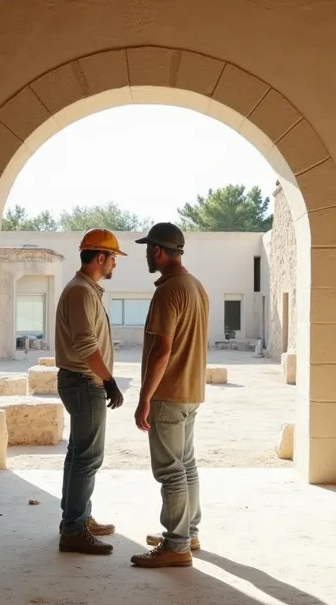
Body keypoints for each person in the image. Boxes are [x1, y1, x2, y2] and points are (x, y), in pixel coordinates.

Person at [129, 222, 210, 568]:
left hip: (169, 393)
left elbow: (162, 351)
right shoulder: (195, 286)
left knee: (170, 470)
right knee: (186, 464)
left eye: (149, 249)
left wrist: (145, 397)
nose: (147, 254)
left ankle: (176, 545)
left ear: (160, 251)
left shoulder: (168, 291)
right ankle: (188, 533)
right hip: (191, 392)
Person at [53, 229, 128, 555]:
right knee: (87, 457)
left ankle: (77, 518)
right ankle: (73, 529)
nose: (115, 264)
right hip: (85, 382)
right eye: (113, 258)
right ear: (100, 257)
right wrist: (108, 380)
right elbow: (86, 345)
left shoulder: (84, 290)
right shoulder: (81, 292)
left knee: (77, 453)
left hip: (80, 381)